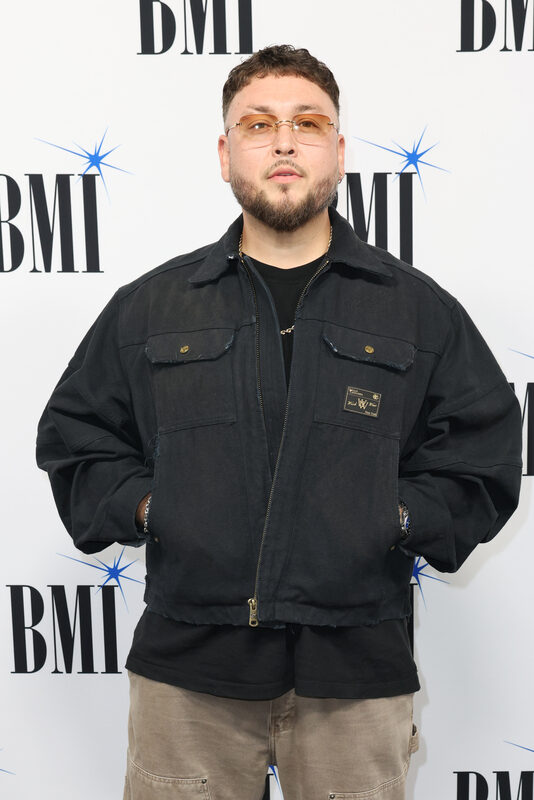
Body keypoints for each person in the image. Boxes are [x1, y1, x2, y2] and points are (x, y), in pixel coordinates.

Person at [36, 45, 522, 800]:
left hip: (357, 673)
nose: (286, 141)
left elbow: (483, 458)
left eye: (308, 123)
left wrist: (391, 515)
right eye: (259, 125)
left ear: (338, 150)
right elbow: (76, 441)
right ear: (226, 154)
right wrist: (151, 506)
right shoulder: (153, 307)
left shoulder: (416, 310)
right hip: (188, 674)